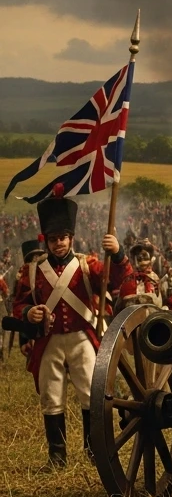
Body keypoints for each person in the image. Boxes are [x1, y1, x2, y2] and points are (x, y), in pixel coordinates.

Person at [11, 186, 128, 467]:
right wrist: (30, 313)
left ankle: (91, 449)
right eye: (53, 239)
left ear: (71, 238)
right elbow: (18, 304)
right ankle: (57, 456)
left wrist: (118, 252)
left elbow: (115, 280)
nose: (58, 244)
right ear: (47, 241)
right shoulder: (33, 269)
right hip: (49, 340)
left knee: (90, 393)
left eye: (62, 238)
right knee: (51, 397)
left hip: (81, 338)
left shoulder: (88, 265)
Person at [118, 243, 172, 313]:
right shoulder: (128, 281)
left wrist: (170, 285)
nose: (141, 257)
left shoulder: (157, 281)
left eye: (145, 256)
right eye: (139, 257)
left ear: (151, 259)